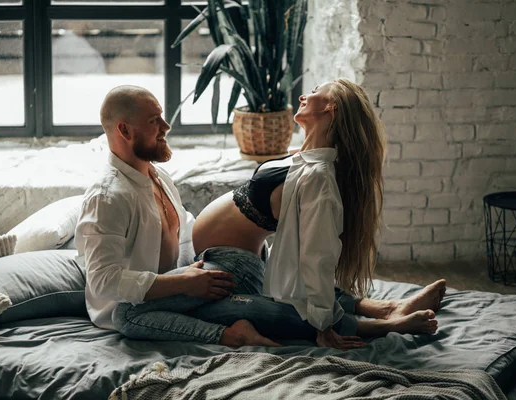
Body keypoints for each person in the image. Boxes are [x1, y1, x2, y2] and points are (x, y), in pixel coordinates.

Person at [189, 78, 446, 348]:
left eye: (313, 93)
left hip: (235, 268)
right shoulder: (303, 156)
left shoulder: (319, 178)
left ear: (331, 108)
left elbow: (317, 255)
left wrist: (323, 324)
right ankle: (383, 308)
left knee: (201, 312)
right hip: (241, 259)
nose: (302, 96)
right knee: (295, 288)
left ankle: (377, 326)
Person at [75, 85, 278, 347]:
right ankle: (230, 335)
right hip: (133, 309)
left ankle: (327, 306)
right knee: (250, 305)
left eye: (162, 116)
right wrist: (182, 284)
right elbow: (103, 282)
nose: (166, 126)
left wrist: (203, 271)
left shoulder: (158, 178)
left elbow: (184, 237)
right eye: (154, 120)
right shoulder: (107, 197)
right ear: (124, 130)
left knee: (251, 274)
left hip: (180, 290)